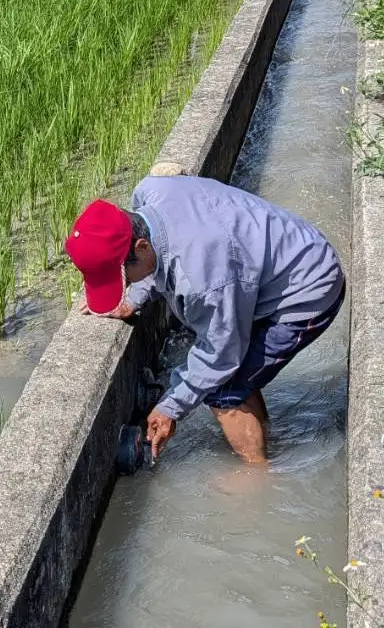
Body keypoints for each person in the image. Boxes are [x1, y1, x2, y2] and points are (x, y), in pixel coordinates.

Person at [64, 173, 345, 464]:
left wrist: (170, 407)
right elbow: (157, 259)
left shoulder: (203, 281)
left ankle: (257, 476)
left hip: (309, 286)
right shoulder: (151, 191)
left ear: (141, 247)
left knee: (223, 389)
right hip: (286, 249)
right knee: (235, 377)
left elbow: (221, 355)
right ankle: (263, 437)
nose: (124, 285)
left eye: (122, 278)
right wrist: (133, 298)